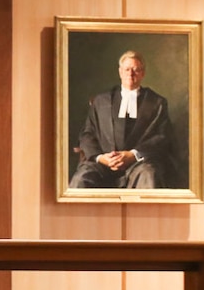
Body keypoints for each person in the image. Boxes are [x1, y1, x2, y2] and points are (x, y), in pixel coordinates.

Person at [69, 50, 176, 189]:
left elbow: (162, 137)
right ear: (120, 72)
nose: (130, 74)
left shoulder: (156, 102)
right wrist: (101, 158)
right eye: (127, 69)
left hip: (139, 165)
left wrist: (133, 155)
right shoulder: (101, 101)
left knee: (149, 175)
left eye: (136, 70)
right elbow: (87, 134)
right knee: (81, 179)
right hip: (102, 165)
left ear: (143, 73)